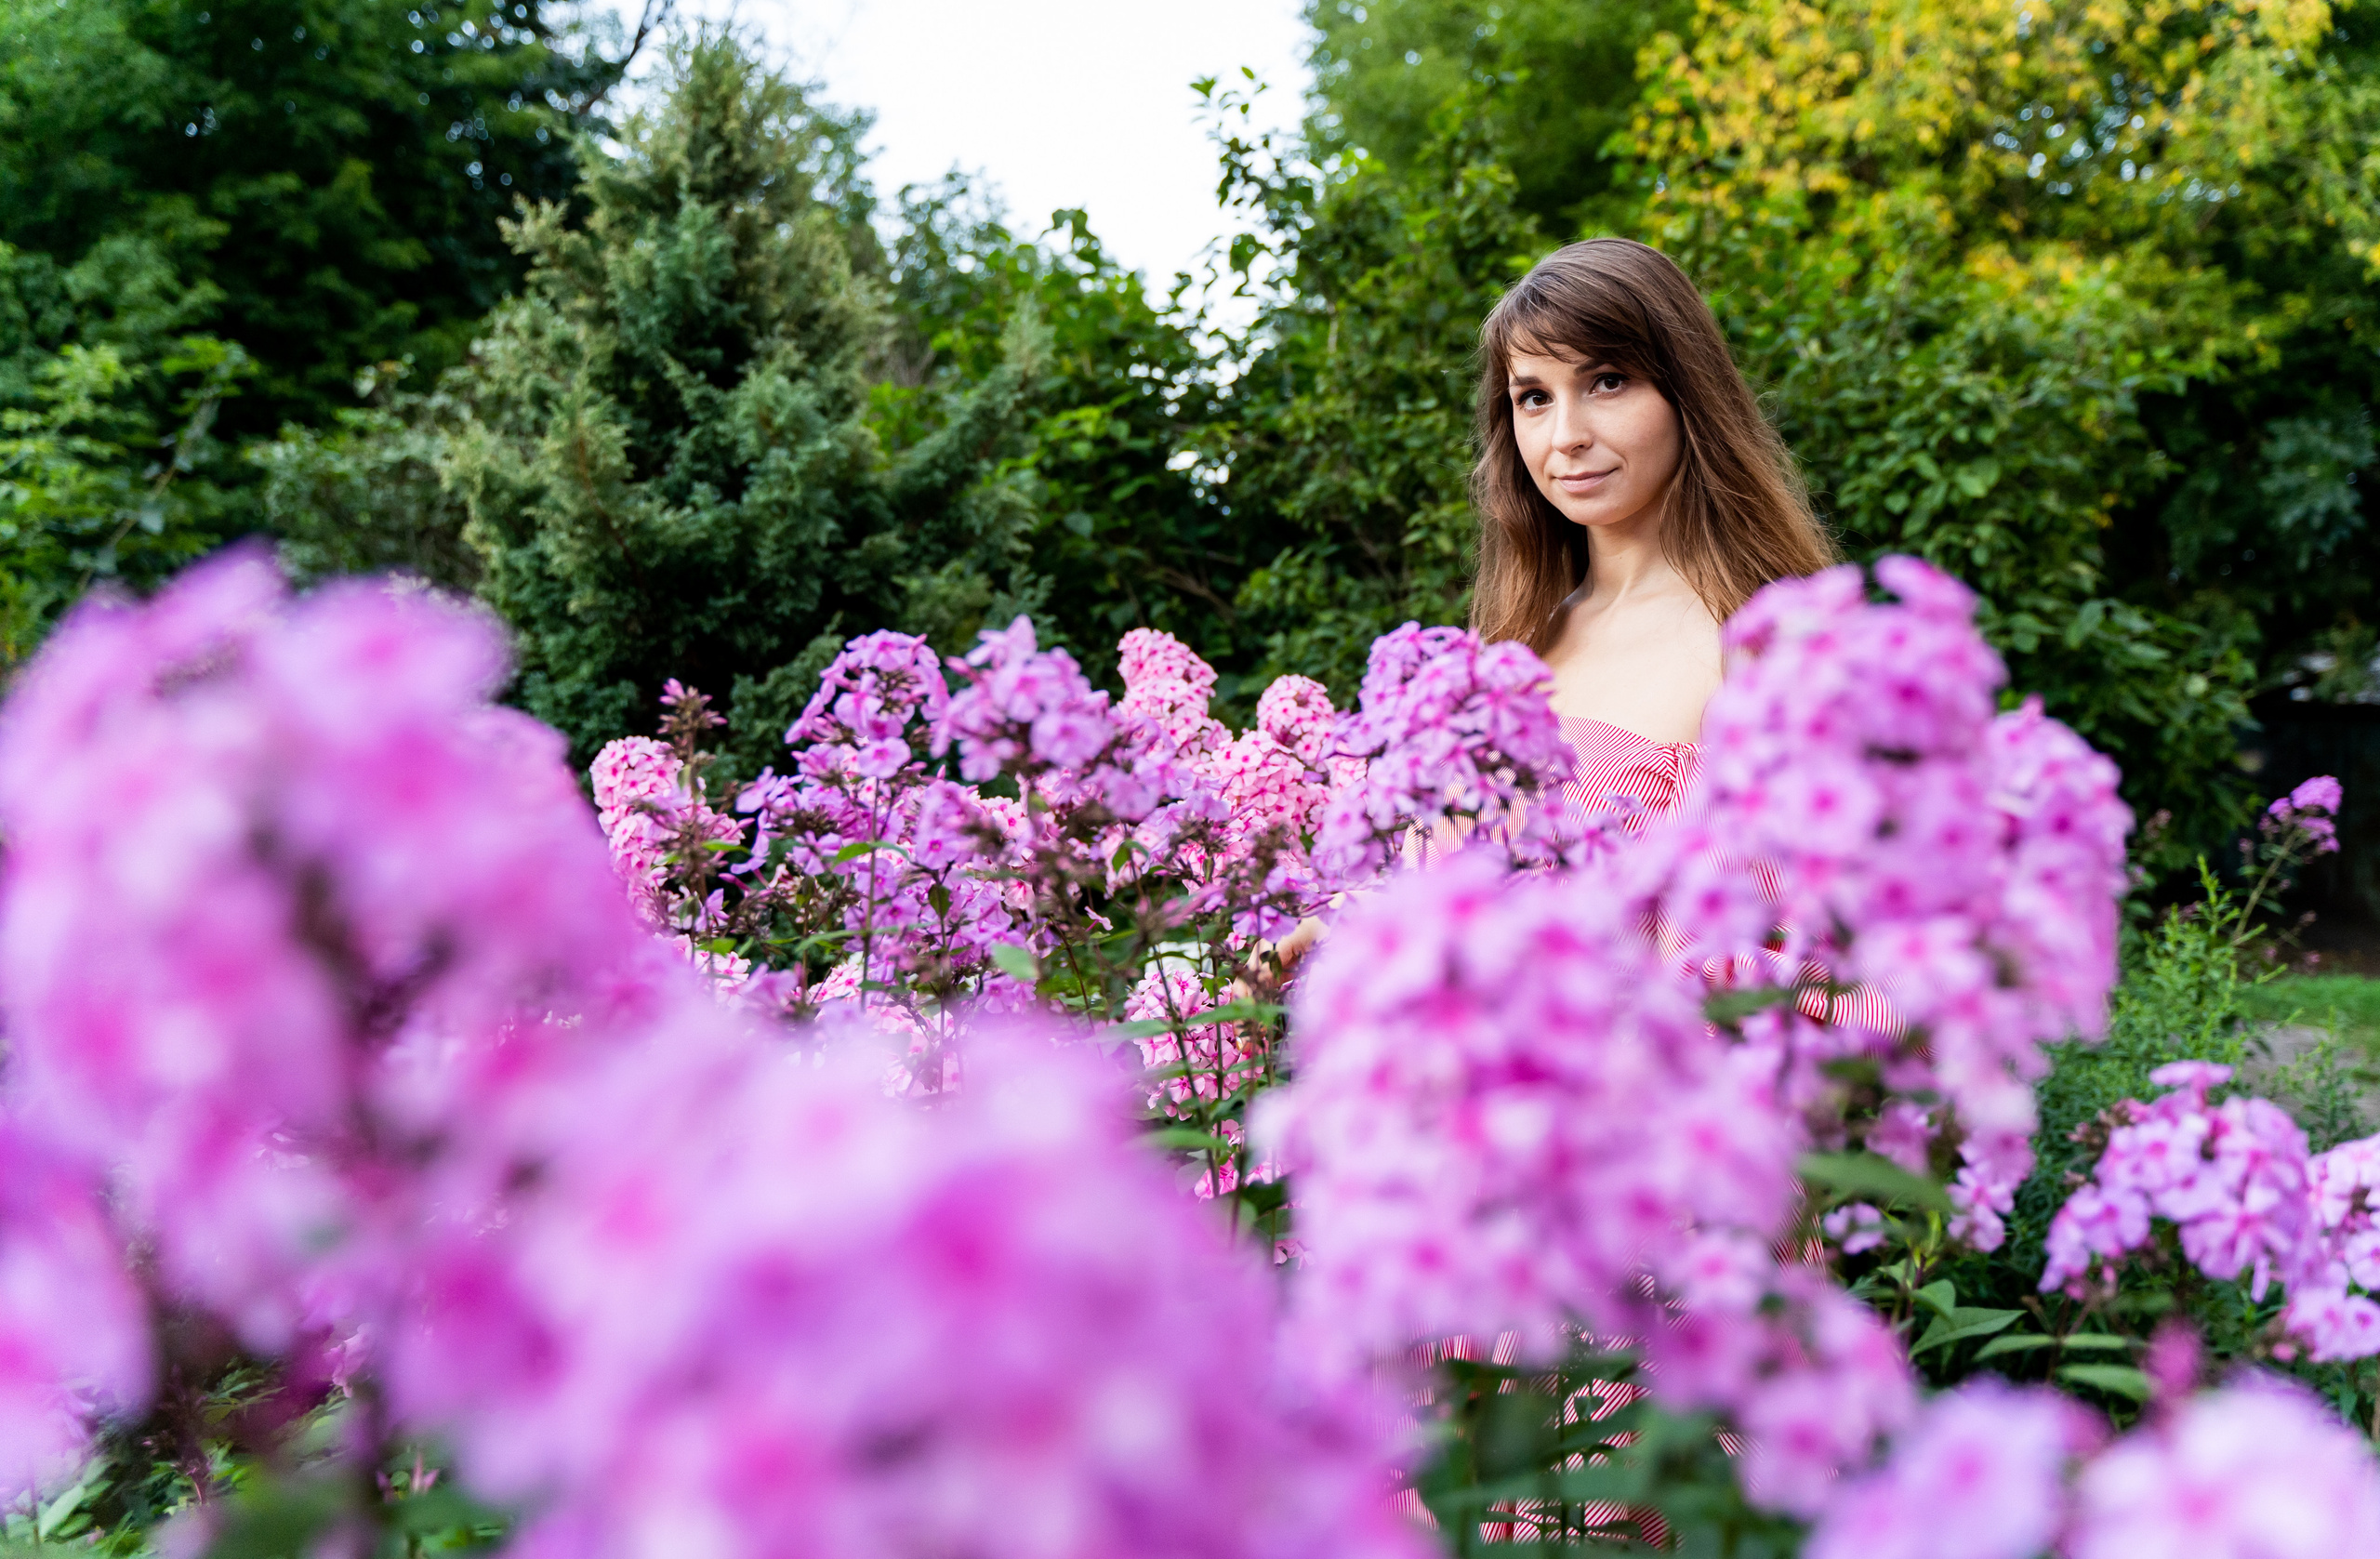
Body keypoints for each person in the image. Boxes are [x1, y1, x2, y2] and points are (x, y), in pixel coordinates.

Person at [1472, 237, 1837, 824]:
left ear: (1687, 393)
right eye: (1534, 397)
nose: (1566, 436)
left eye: (1608, 382)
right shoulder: (1510, 641)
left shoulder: (1766, 644)